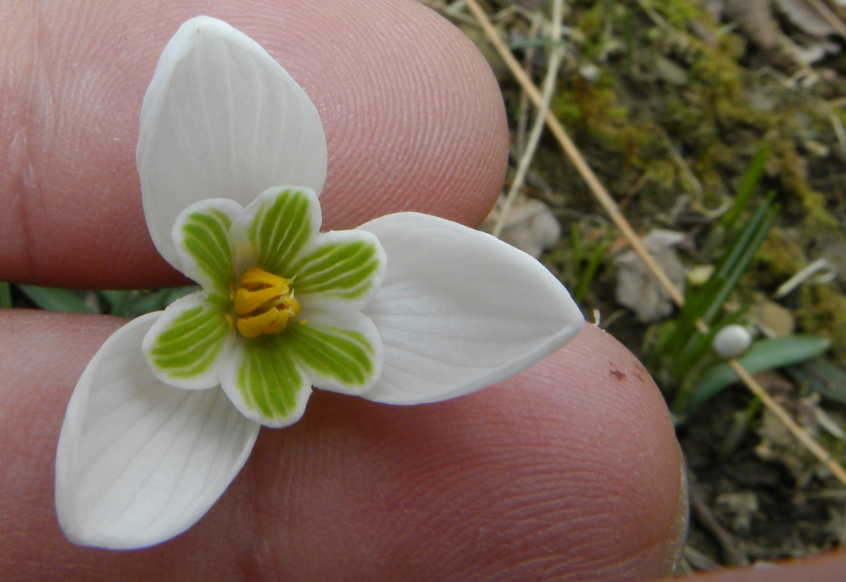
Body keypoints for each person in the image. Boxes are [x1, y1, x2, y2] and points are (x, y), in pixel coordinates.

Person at [1, 2, 840, 580]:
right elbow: (210, 77)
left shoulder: (293, 298)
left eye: (270, 304)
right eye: (267, 305)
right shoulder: (223, 201)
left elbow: (504, 315)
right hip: (215, 351)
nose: (269, 304)